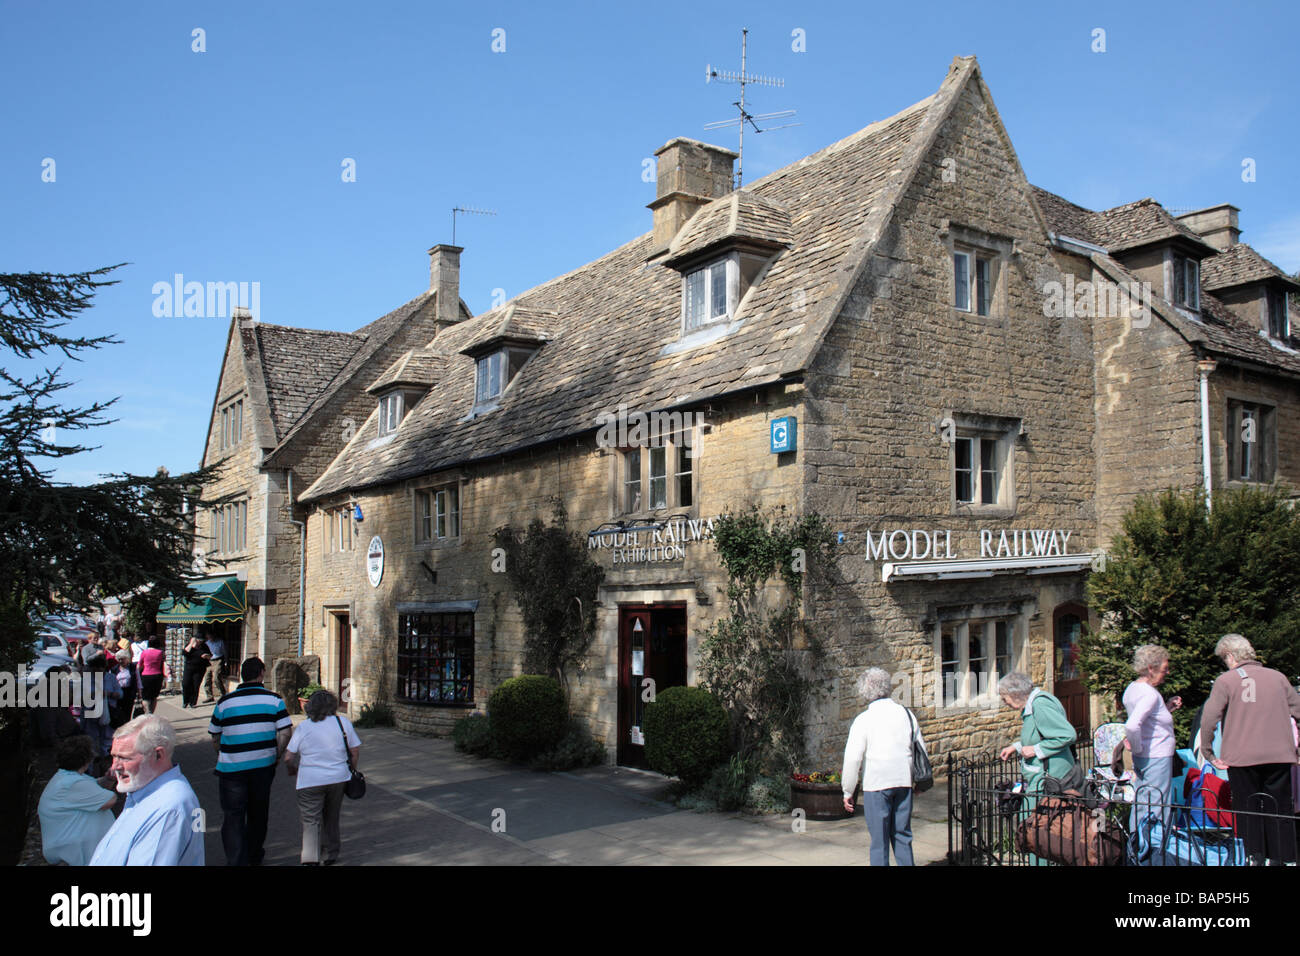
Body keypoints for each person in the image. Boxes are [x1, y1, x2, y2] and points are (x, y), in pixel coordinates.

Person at [1200, 633, 1300, 865]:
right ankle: (1282, 858)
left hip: (1242, 757)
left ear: (1231, 656)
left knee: (1248, 808)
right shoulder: (1278, 678)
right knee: (1279, 807)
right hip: (1278, 755)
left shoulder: (1226, 681)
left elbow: (1209, 719)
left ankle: (1253, 856)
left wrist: (1208, 752)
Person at [88, 714, 204, 866]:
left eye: (125, 758)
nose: (115, 766)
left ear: (158, 755)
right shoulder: (146, 791)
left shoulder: (169, 808)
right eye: (114, 757)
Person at [209, 657, 292, 866]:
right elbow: (285, 733)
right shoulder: (274, 701)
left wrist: (223, 754)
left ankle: (236, 859)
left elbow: (215, 735)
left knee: (233, 816)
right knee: (258, 813)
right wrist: (277, 754)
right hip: (262, 766)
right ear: (261, 673)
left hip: (231, 769)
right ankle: (254, 855)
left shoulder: (224, 702)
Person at [840, 667, 923, 866]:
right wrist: (920, 780)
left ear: (864, 691)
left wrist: (847, 790)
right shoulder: (906, 714)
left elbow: (853, 759)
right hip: (903, 781)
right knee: (903, 836)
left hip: (876, 785)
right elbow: (920, 747)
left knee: (879, 842)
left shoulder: (863, 720)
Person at [286, 689, 361, 865]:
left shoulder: (304, 727)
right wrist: (351, 771)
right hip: (337, 777)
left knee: (311, 819)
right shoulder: (343, 723)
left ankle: (311, 857)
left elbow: (289, 757)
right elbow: (354, 751)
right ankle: (330, 853)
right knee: (331, 816)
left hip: (310, 779)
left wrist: (291, 769)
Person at [1123, 644, 1182, 826]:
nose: (1168, 673)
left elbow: (1148, 721)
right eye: (1164, 669)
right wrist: (1138, 745)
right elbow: (1132, 725)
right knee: (1157, 808)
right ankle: (1155, 851)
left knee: (1142, 804)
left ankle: (1137, 848)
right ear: (1151, 669)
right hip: (1156, 757)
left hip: (1144, 757)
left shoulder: (1132, 689)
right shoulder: (1150, 695)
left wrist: (1166, 708)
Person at [37, 735, 118, 865]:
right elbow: (109, 800)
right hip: (73, 854)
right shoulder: (72, 784)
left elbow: (94, 786)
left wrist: (109, 779)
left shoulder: (67, 777)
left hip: (70, 848)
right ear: (87, 760)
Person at [998, 672, 1080, 793]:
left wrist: (1035, 750)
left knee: (1031, 812)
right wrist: (1016, 747)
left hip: (1051, 780)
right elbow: (1040, 737)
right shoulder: (1034, 705)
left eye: (1004, 697)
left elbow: (1067, 735)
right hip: (1043, 778)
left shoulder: (1040, 705)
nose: (1004, 701)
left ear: (1014, 693)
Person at [181, 634, 211, 708]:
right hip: (189, 667)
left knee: (195, 685)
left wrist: (206, 656)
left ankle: (192, 702)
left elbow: (210, 655)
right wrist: (191, 644)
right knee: (186, 684)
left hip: (200, 668)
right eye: (198, 640)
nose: (200, 642)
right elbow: (185, 653)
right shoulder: (189, 646)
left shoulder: (204, 646)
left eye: (201, 641)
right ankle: (185, 701)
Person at [138, 636, 166, 714]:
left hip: (146, 675)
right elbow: (162, 664)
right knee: (154, 696)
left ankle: (147, 712)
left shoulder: (144, 652)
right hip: (157, 675)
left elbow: (139, 665)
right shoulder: (160, 653)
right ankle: (151, 713)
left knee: (145, 697)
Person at [113, 649, 139, 726]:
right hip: (118, 691)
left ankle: (127, 725)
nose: (121, 661)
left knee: (128, 710)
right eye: (119, 659)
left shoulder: (133, 667)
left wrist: (139, 691)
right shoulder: (114, 669)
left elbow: (138, 680)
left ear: (127, 658)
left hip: (129, 692)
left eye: (123, 659)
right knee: (119, 710)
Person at [202, 630, 227, 703]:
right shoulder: (207, 643)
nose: (209, 638)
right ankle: (209, 696)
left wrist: (225, 662)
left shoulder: (220, 642)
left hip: (218, 660)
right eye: (208, 636)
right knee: (207, 678)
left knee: (216, 677)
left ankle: (222, 694)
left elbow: (225, 652)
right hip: (209, 661)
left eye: (210, 636)